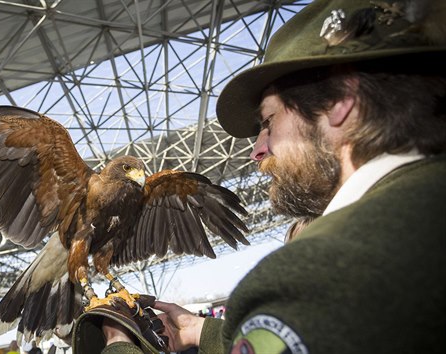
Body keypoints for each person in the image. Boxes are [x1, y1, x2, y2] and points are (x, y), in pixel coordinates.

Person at [98, 0, 446, 352]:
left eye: (268, 122)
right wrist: (200, 332)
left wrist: (119, 342)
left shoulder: (318, 274)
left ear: (341, 100)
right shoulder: (422, 216)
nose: (257, 150)